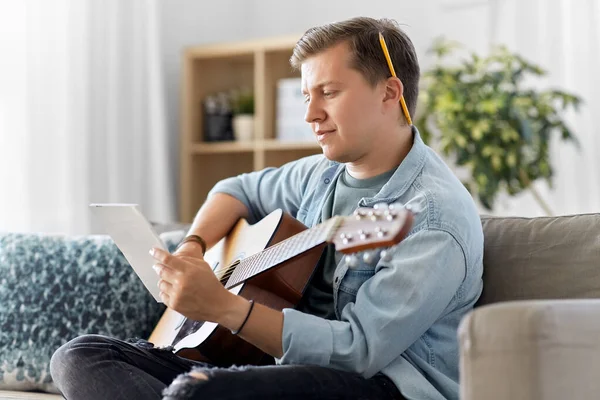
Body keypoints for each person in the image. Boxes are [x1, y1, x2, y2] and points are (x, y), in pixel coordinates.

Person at [50, 16, 483, 400]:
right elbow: (235, 188)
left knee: (197, 393)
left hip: (379, 385)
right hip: (279, 368)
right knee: (80, 356)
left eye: (328, 93)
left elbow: (358, 352)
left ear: (390, 92)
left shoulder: (432, 218)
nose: (311, 114)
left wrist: (223, 307)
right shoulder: (323, 173)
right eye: (307, 95)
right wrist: (193, 247)